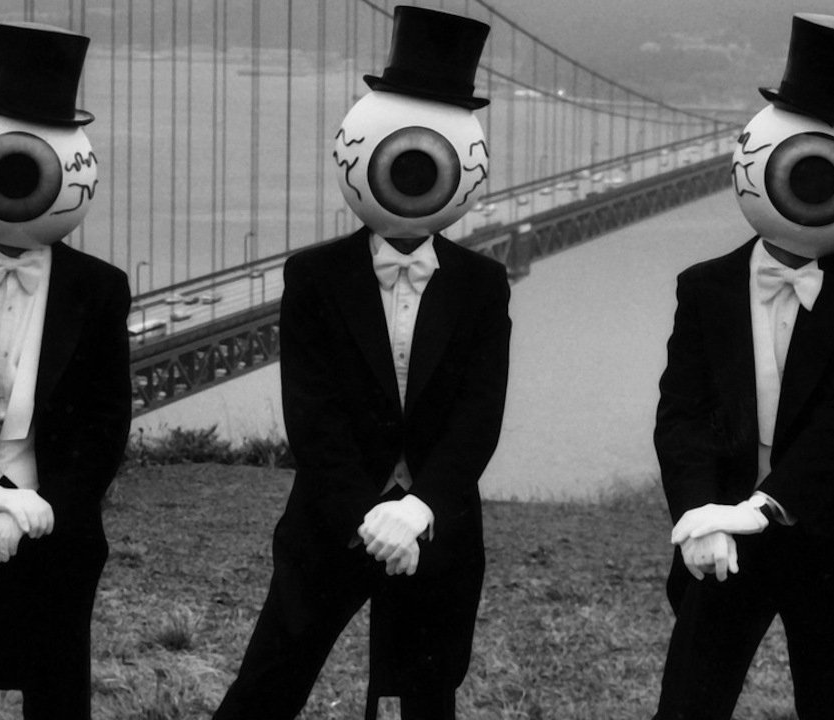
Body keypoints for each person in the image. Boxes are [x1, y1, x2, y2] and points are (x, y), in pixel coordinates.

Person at [212, 7, 508, 720]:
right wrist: (369, 515)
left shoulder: (481, 282)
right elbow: (310, 414)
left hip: (439, 531)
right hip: (329, 524)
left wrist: (420, 509)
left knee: (426, 700)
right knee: (266, 688)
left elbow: (479, 414)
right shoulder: (313, 276)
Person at [651, 14, 834, 720]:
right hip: (719, 533)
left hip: (825, 536)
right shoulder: (704, 286)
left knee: (833, 706)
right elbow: (681, 414)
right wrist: (699, 515)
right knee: (689, 704)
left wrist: (761, 508)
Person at [0, 22, 130, 720]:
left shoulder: (100, 289)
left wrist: (41, 504)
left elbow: (106, 424)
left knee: (57, 686)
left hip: (58, 516)